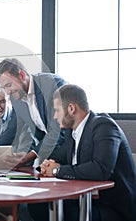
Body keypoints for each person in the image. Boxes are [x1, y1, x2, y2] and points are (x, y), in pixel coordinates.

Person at [29, 84, 136, 221]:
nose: (55, 117)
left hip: (111, 208)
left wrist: (57, 171)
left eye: (57, 111)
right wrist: (47, 165)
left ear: (71, 108)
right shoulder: (72, 132)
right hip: (86, 200)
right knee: (38, 206)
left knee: (67, 213)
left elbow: (100, 169)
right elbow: (57, 156)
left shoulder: (103, 126)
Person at [0, 58, 66, 167]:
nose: (7, 92)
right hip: (49, 156)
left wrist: (30, 156)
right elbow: (12, 130)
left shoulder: (52, 85)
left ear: (22, 75)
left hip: (70, 151)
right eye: (4, 88)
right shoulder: (16, 97)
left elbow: (58, 131)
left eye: (9, 85)